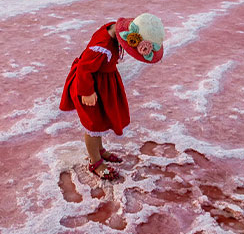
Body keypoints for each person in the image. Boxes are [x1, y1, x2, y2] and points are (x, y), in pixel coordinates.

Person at [59, 13, 165, 180]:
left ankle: (99, 151)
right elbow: (84, 69)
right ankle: (95, 162)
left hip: (103, 82)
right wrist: (87, 92)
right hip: (90, 85)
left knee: (100, 120)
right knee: (92, 125)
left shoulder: (112, 29)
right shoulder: (102, 47)